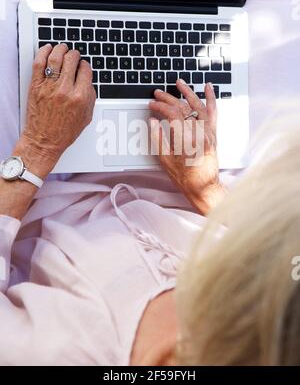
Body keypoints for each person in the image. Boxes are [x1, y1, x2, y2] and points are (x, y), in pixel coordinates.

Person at [0, 43, 299, 366]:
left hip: (38, 179)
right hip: (194, 163)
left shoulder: (56, 353)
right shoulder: (280, 304)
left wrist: (37, 147)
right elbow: (279, 251)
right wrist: (207, 189)